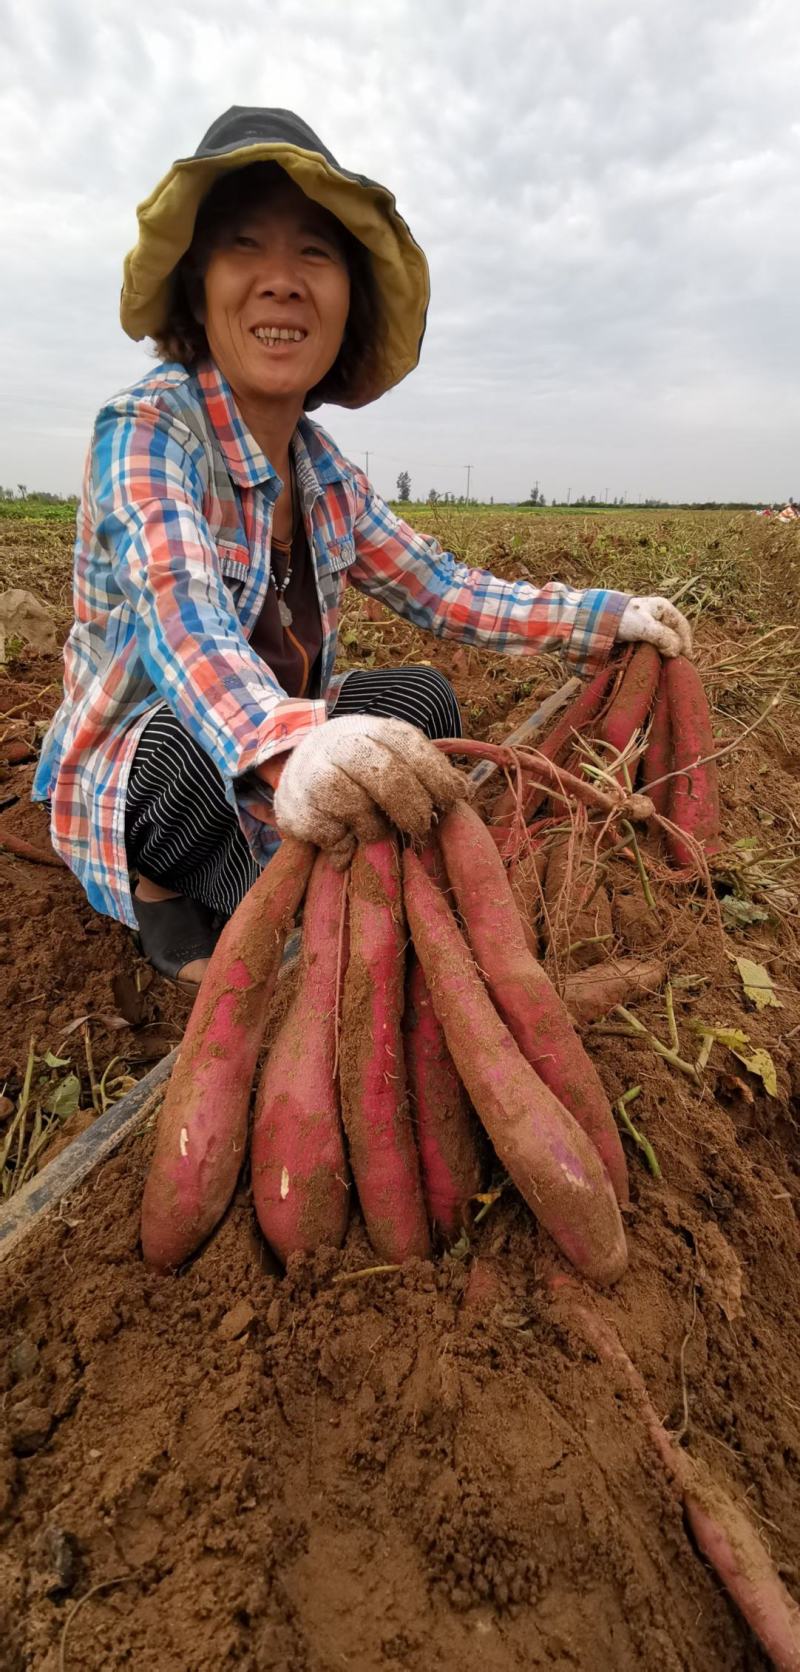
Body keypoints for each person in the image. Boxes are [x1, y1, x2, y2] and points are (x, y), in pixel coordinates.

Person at [34, 106, 692, 984]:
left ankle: (299, 863)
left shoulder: (325, 474)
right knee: (186, 746)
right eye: (243, 248)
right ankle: (163, 893)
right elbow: (178, 611)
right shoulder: (149, 430)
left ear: (348, 297)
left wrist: (608, 618)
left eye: (314, 252)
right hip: (159, 770)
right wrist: (286, 744)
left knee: (417, 702)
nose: (281, 281)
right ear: (197, 287)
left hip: (281, 751)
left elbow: (443, 589)